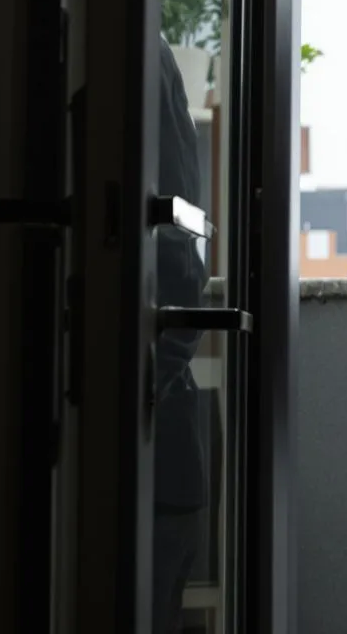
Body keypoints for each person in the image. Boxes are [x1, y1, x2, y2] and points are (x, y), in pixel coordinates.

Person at [153, 36, 210, 634]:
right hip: (161, 455)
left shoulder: (143, 52)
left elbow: (175, 241)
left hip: (154, 459)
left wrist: (146, 386)